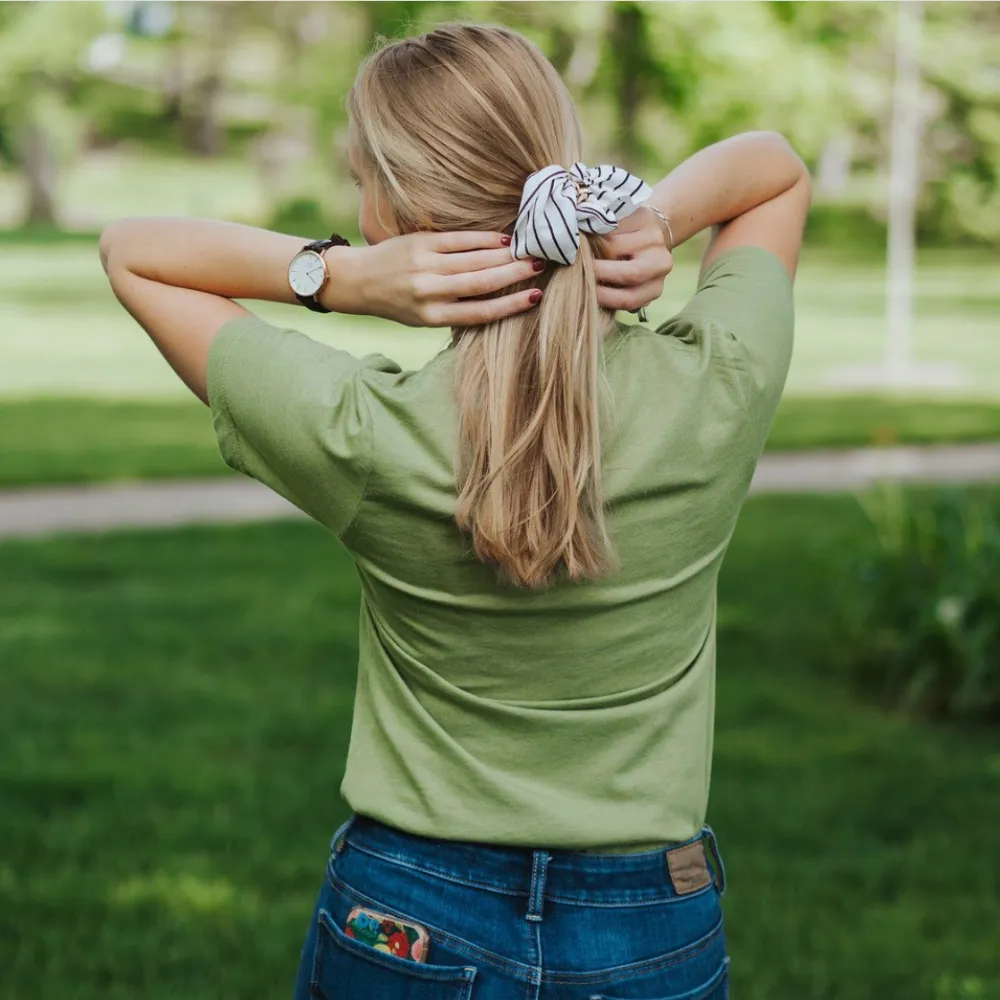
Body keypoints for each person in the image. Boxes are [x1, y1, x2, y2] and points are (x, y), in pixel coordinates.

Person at [100, 21, 809, 1000]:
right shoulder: (714, 385)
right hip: (650, 920)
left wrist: (336, 276)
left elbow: (134, 251)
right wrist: (651, 220)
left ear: (391, 209)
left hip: (407, 920)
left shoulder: (358, 430)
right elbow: (773, 168)